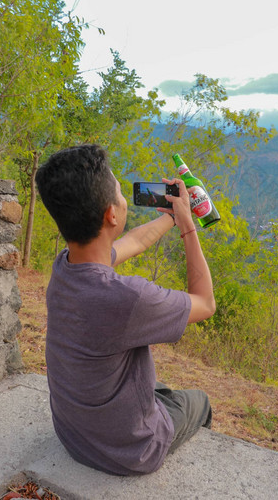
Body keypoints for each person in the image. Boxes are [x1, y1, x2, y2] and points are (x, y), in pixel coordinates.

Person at [35, 144, 216, 476]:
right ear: (112, 214)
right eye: (119, 192)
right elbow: (205, 303)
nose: (122, 197)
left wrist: (173, 216)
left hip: (74, 436)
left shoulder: (65, 265)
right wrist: (189, 227)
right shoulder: (126, 297)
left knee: (156, 386)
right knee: (199, 400)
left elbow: (135, 242)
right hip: (131, 450)